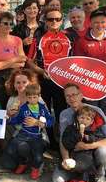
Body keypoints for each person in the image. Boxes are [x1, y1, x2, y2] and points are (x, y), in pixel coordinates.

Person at [52, 83, 106, 182]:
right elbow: (63, 140)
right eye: (68, 96)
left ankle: (99, 175)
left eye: (74, 94)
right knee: (57, 180)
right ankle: (77, 174)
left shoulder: (95, 111)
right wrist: (66, 159)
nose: (71, 98)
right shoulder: (64, 114)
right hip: (74, 153)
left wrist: (88, 146)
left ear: (81, 95)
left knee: (104, 152)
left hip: (92, 151)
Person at [29, 8, 73, 147]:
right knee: (45, 111)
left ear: (62, 21)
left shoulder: (69, 37)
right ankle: (50, 141)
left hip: (63, 83)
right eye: (50, 19)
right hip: (45, 81)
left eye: (57, 19)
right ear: (45, 21)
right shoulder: (38, 38)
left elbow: (76, 60)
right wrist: (41, 71)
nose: (54, 22)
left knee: (62, 112)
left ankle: (63, 141)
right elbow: (29, 61)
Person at [73, 9, 106, 126]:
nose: (100, 25)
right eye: (96, 22)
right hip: (90, 87)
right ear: (90, 23)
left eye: (103, 22)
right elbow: (78, 66)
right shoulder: (82, 42)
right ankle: (91, 142)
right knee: (89, 117)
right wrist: (82, 86)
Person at [2, 83, 53, 180]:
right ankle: (23, 163)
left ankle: (35, 168)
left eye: (35, 97)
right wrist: (9, 119)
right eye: (30, 97)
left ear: (39, 96)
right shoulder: (24, 107)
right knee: (12, 149)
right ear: (26, 97)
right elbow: (18, 119)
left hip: (37, 136)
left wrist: (43, 124)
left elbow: (51, 120)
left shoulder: (42, 108)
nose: (32, 100)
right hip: (24, 133)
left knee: (38, 156)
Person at [60, 106, 106, 182]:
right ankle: (74, 179)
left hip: (87, 154)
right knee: (72, 163)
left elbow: (98, 138)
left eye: (87, 119)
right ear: (77, 118)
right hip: (73, 152)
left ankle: (83, 181)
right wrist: (76, 137)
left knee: (84, 163)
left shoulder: (93, 130)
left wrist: (88, 138)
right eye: (82, 117)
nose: (84, 120)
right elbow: (65, 140)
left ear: (91, 121)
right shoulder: (71, 128)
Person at [0, 11, 26, 107]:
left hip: (17, 75)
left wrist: (3, 63)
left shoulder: (17, 40)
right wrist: (14, 59)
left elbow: (22, 62)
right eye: (5, 23)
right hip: (0, 78)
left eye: (10, 23)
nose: (8, 26)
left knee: (17, 105)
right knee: (1, 105)